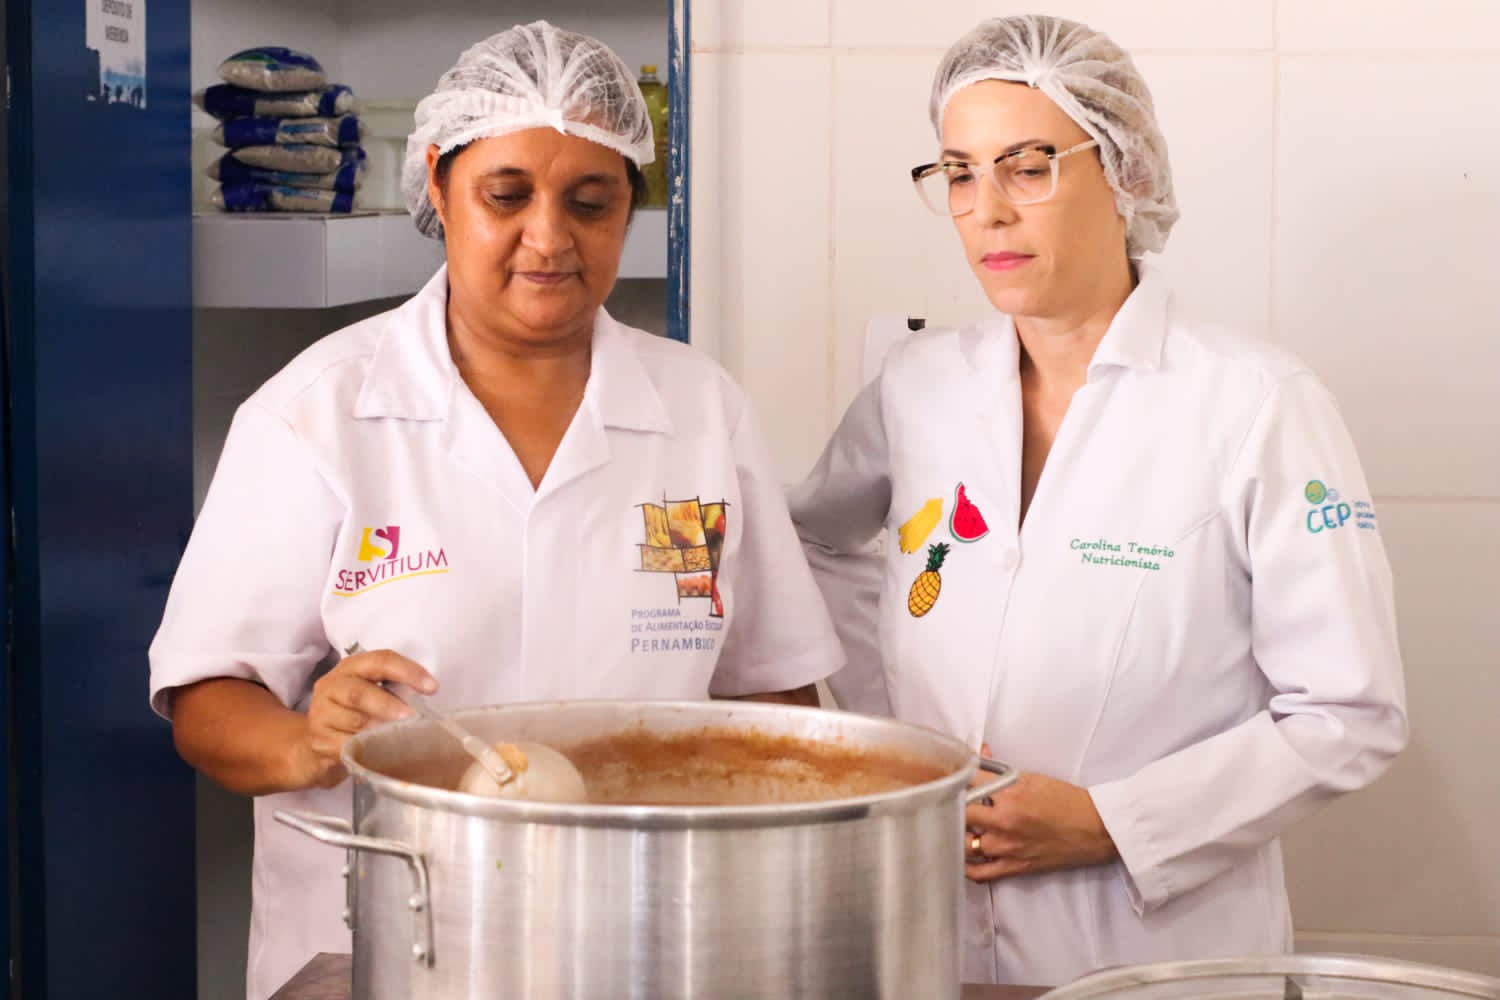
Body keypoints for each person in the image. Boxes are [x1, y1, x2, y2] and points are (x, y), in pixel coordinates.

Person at [150, 21, 840, 999]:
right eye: (505, 196)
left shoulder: (699, 412)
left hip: (647, 944)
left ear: (629, 212)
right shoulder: (320, 412)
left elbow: (777, 704)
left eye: (590, 203)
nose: (548, 238)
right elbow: (205, 702)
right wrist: (308, 737)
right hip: (381, 946)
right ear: (436, 185)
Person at [788, 14, 1408, 988]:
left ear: (1124, 172)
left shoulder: (1256, 403)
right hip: (931, 941)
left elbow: (1349, 709)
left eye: (1027, 165)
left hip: (1162, 953)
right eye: (956, 171)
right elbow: (813, 542)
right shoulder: (916, 388)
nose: (985, 209)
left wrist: (1114, 820)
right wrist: (901, 736)